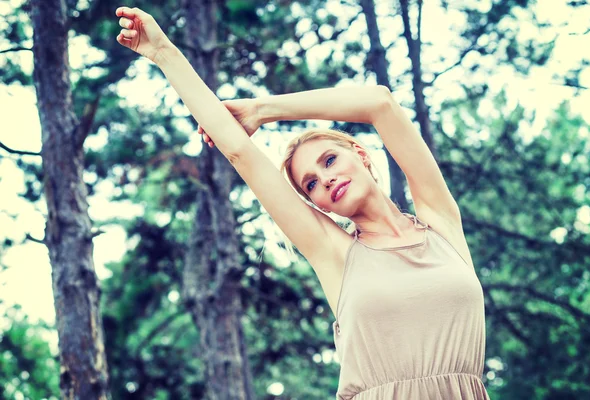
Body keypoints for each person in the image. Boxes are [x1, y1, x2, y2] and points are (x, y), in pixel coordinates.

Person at [115, 6, 490, 399]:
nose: (325, 179)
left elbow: (380, 103)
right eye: (311, 184)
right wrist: (162, 52)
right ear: (320, 205)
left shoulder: (442, 223)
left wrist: (265, 109)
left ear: (360, 155)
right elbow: (240, 152)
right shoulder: (336, 254)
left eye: (330, 160)